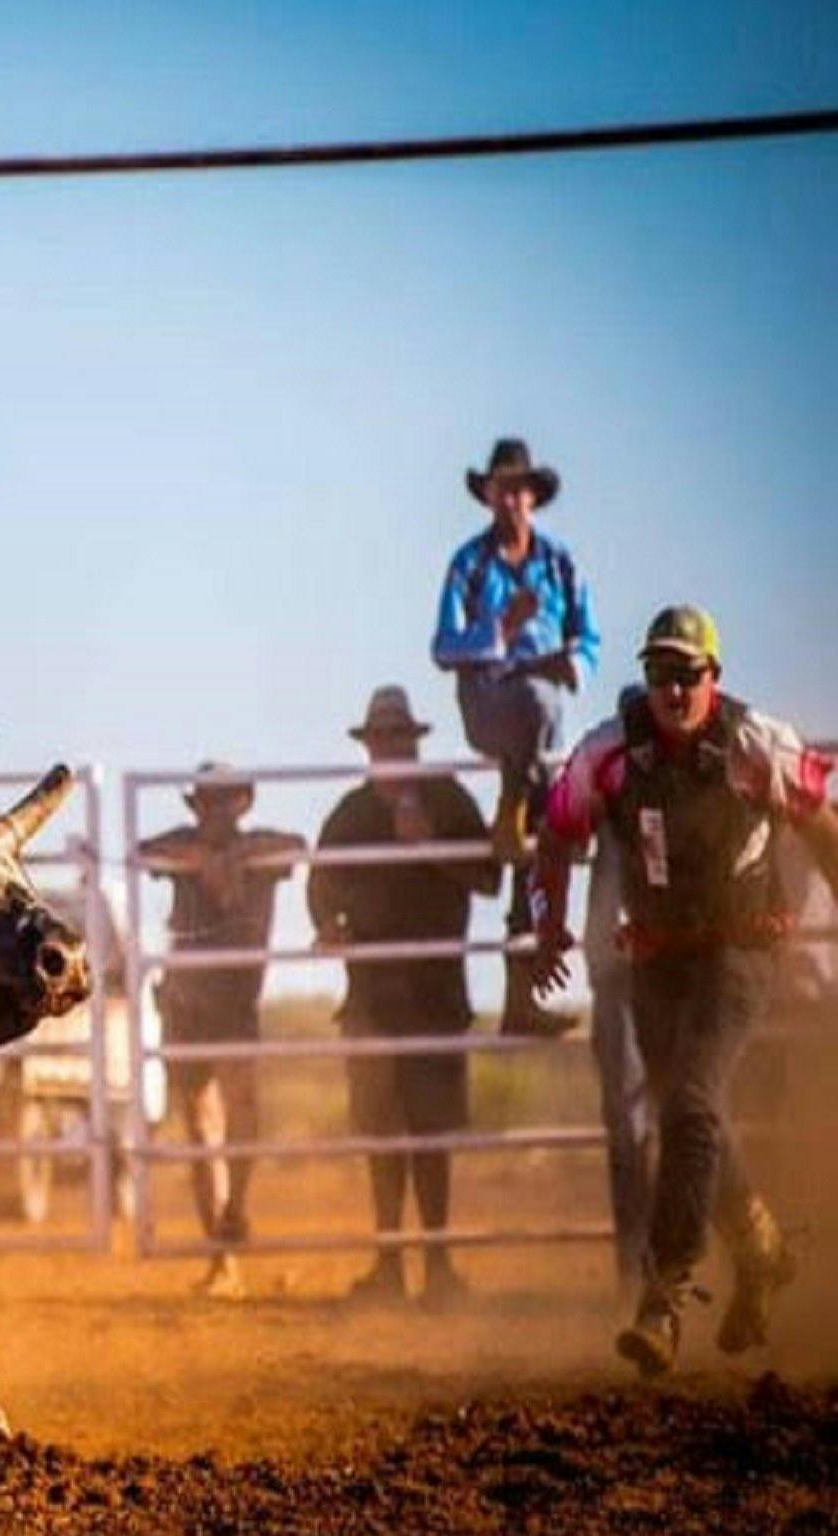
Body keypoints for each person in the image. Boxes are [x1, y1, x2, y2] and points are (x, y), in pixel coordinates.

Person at [531, 605, 838, 1375]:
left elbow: (820, 818)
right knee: (685, 1104)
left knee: (691, 1101)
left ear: (713, 679)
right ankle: (761, 1244)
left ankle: (665, 1294)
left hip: (741, 947)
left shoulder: (753, 742)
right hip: (661, 953)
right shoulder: (609, 753)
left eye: (686, 674)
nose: (672, 689)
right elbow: (558, 829)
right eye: (659, 673)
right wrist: (549, 926)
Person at [309, 687, 502, 1305]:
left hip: (434, 995)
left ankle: (437, 1264)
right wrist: (328, 923)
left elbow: (489, 876)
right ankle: (391, 1264)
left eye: (399, 738)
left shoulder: (446, 799)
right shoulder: (351, 813)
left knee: (430, 1134)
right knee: (383, 1135)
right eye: (381, 739)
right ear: (370, 747)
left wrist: (431, 848)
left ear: (414, 742)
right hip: (371, 997)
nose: (389, 748)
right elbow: (321, 882)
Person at [431, 438, 599, 1038]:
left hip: (546, 723)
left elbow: (589, 640)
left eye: (520, 488)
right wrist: (503, 629)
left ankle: (522, 994)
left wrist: (568, 661)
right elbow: (444, 647)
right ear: (488, 496)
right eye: (502, 487)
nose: (511, 498)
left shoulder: (559, 563)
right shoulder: (469, 565)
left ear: (533, 497)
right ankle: (522, 802)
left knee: (538, 842)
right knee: (533, 711)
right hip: (493, 705)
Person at [139, 762, 305, 1298]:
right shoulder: (183, 844)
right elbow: (146, 851)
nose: (214, 809)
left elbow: (296, 845)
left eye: (223, 799)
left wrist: (231, 859)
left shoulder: (259, 848)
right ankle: (222, 1256)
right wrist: (207, 861)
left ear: (242, 802)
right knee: (200, 1127)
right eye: (207, 801)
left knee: (241, 1112)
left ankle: (233, 1218)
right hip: (187, 1002)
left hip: (234, 1000)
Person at [580, 689, 654, 1290]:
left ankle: (663, 1263)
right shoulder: (601, 790)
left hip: (672, 966)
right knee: (630, 1123)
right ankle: (637, 1268)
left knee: (683, 1115)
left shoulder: (687, 785)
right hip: (621, 970)